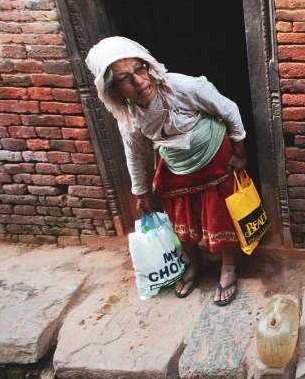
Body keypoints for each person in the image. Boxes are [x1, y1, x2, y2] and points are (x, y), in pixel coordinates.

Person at [86, 36, 247, 306]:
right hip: (175, 159)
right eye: (126, 78)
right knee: (171, 202)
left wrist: (240, 153)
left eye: (140, 69)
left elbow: (229, 110)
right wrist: (141, 192)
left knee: (218, 207)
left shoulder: (185, 86)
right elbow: (136, 152)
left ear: (150, 68)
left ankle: (227, 266)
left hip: (213, 152)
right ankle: (195, 262)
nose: (139, 81)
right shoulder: (129, 114)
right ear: (114, 90)